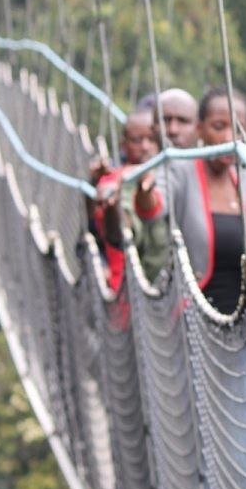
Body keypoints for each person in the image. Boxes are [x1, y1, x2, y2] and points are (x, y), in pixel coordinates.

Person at [163, 87, 246, 313]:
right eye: (219, 127)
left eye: (238, 129)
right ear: (200, 129)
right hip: (195, 322)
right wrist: (145, 193)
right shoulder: (179, 172)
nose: (229, 138)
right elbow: (154, 204)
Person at [89, 109, 164, 328]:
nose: (145, 146)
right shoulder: (111, 181)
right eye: (137, 140)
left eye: (152, 139)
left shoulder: (172, 177)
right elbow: (106, 233)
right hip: (123, 296)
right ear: (123, 145)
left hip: (168, 300)